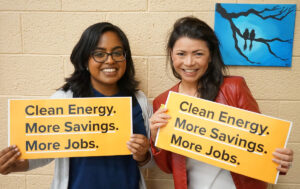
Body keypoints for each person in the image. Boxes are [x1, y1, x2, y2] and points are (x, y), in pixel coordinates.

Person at [0, 22, 153, 189]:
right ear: (85, 59)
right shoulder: (64, 100)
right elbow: (49, 149)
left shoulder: (139, 101)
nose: (110, 60)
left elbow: (150, 162)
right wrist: (21, 164)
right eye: (99, 54)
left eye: (117, 53)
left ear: (126, 58)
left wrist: (143, 155)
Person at [149, 16, 293, 189]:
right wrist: (156, 136)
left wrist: (279, 159)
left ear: (210, 56)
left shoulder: (234, 88)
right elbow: (167, 168)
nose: (189, 62)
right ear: (171, 54)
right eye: (181, 54)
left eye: (198, 54)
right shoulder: (163, 102)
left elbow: (260, 148)